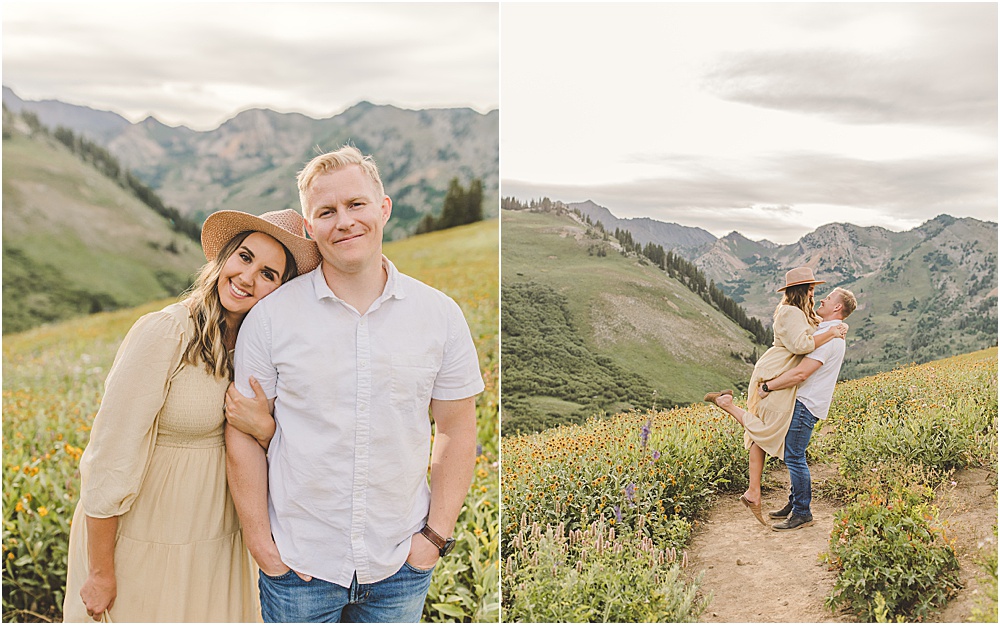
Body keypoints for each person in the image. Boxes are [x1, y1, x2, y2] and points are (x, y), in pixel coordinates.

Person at [224, 145, 484, 623]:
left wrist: (434, 538)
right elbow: (242, 434)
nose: (343, 221)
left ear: (383, 208)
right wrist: (263, 546)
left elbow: (457, 427)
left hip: (399, 567)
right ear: (309, 227)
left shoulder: (440, 316)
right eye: (326, 211)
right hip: (299, 567)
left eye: (355, 205)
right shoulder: (270, 319)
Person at [62, 209, 321, 622]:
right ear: (224, 258)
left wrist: (266, 429)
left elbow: (305, 442)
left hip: (220, 539)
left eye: (269, 274)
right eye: (245, 257)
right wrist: (100, 570)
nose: (248, 277)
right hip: (146, 536)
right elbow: (108, 458)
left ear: (282, 289)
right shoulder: (165, 333)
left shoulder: (262, 350)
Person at [704, 267, 846, 526]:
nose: (817, 296)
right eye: (812, 289)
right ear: (803, 291)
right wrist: (834, 329)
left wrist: (837, 326)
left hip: (790, 385)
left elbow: (811, 339)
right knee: (779, 442)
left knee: (782, 445)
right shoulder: (792, 312)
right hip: (776, 374)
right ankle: (784, 502)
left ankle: (781, 502)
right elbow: (803, 346)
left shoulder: (803, 313)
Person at [758, 286, 856, 530]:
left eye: (829, 297)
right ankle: (794, 503)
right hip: (804, 401)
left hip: (806, 403)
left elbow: (801, 373)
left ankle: (803, 512)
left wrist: (768, 387)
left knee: (794, 456)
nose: (822, 299)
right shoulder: (827, 331)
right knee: (793, 454)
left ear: (837, 307)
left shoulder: (830, 339)